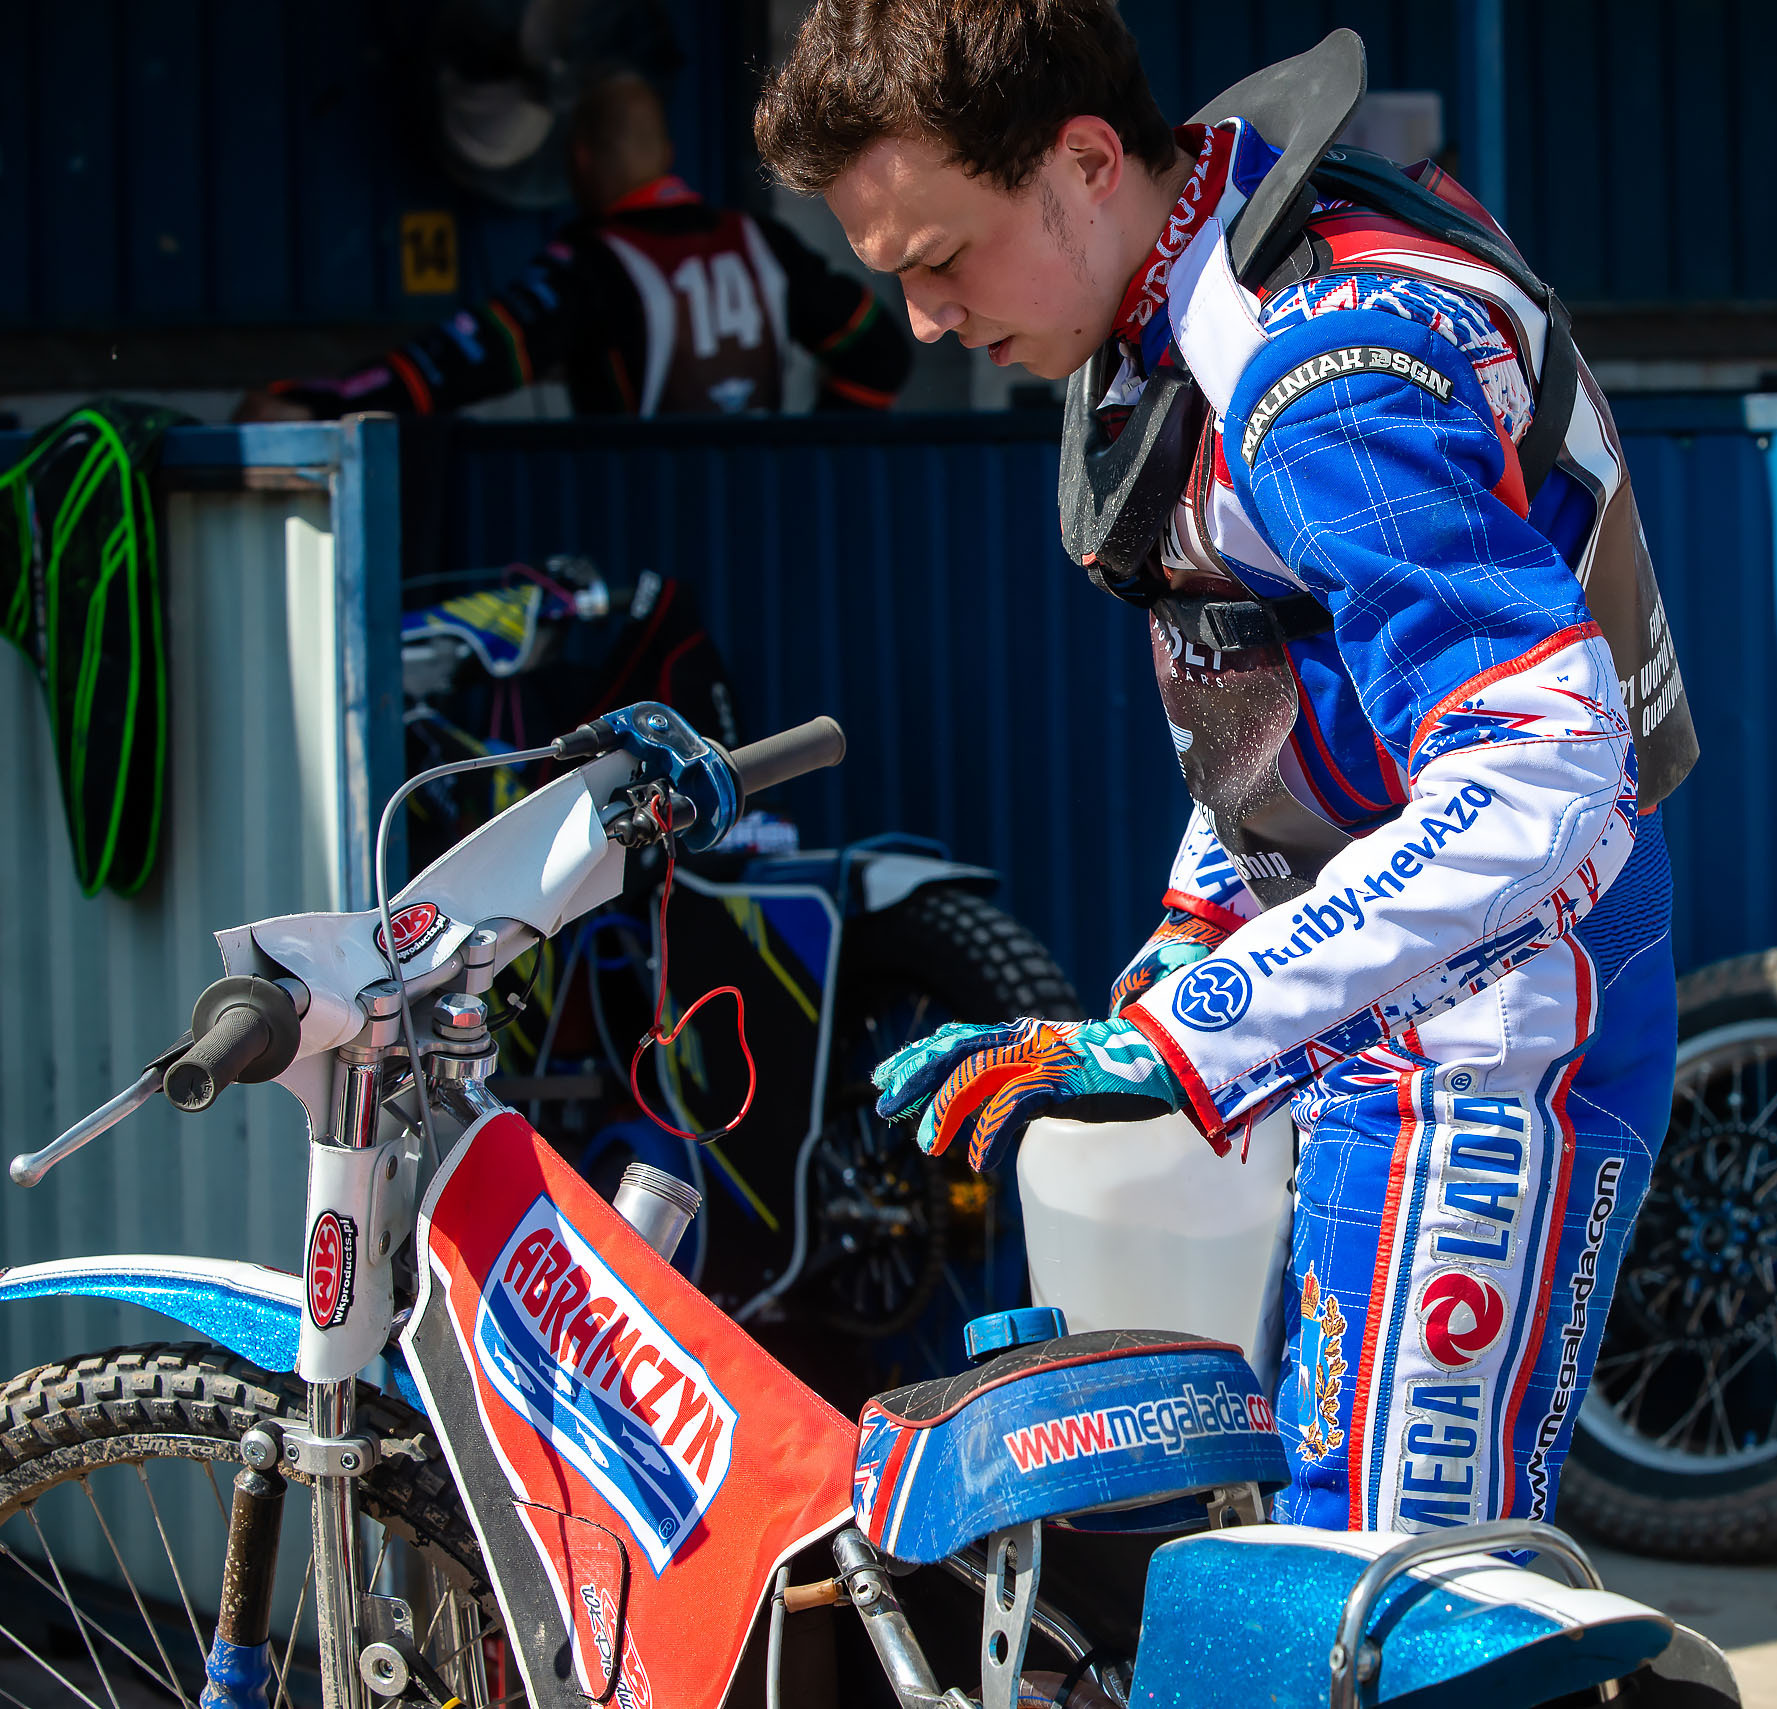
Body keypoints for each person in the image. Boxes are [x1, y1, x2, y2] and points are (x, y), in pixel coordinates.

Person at [761, 3, 1698, 1533]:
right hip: (1400, 1000)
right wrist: (1198, 928)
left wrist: (1190, 1026)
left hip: (1494, 1027)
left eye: (939, 256)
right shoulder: (1206, 273)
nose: (922, 319)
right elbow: (1288, 697)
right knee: (1315, 1538)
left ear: (1078, 161)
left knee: (1387, 1582)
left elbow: (1543, 769)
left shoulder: (1324, 368)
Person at [239, 74, 910, 421]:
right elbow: (880, 353)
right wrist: (804, 448)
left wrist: (316, 400)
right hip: (760, 516)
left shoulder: (595, 264)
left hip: (635, 524)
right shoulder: (760, 242)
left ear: (578, 159)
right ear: (668, 156)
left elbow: (466, 361)